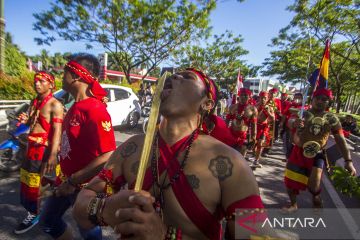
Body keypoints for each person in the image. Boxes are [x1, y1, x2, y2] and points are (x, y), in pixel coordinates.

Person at [73, 69, 275, 239]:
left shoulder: (230, 163)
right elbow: (81, 205)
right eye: (173, 76)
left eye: (187, 77)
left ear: (207, 103)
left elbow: (258, 235)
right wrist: (103, 209)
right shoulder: (131, 148)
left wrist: (164, 235)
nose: (174, 77)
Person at [40, 54, 116, 240]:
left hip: (84, 187)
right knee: (48, 221)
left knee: (90, 233)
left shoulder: (94, 109)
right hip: (64, 181)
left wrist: (73, 182)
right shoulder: (75, 106)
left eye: (64, 72)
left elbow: (108, 155)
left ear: (76, 75)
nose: (61, 76)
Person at [283, 88, 357, 213]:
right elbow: (289, 122)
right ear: (312, 100)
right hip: (298, 152)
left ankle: (316, 198)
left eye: (324, 99)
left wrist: (348, 161)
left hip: (317, 154)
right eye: (318, 98)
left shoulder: (331, 119)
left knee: (314, 185)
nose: (320, 101)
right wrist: (294, 123)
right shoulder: (302, 113)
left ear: (328, 102)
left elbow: (340, 140)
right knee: (290, 182)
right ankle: (293, 204)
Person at [14, 71, 64, 234]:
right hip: (31, 147)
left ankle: (35, 214)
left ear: (51, 84)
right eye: (36, 81)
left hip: (43, 150)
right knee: (28, 181)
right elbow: (32, 121)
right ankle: (38, 209)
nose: (37, 84)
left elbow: (57, 131)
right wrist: (24, 120)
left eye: (42, 81)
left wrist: (51, 155)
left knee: (37, 184)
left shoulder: (55, 104)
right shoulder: (34, 100)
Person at [227, 88, 258, 156]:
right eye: (242, 95)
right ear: (239, 96)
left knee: (241, 158)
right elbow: (226, 122)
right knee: (230, 156)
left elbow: (254, 125)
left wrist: (254, 138)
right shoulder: (232, 107)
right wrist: (223, 133)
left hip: (244, 137)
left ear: (249, 97)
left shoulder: (253, 109)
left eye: (246, 95)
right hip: (231, 135)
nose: (243, 97)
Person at [251, 91, 274, 168]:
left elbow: (273, 119)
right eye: (261, 98)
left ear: (267, 99)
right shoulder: (255, 106)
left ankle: (256, 160)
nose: (263, 99)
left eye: (264, 98)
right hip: (255, 127)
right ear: (259, 98)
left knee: (260, 143)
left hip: (264, 128)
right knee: (253, 143)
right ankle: (255, 156)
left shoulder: (269, 107)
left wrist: (268, 112)